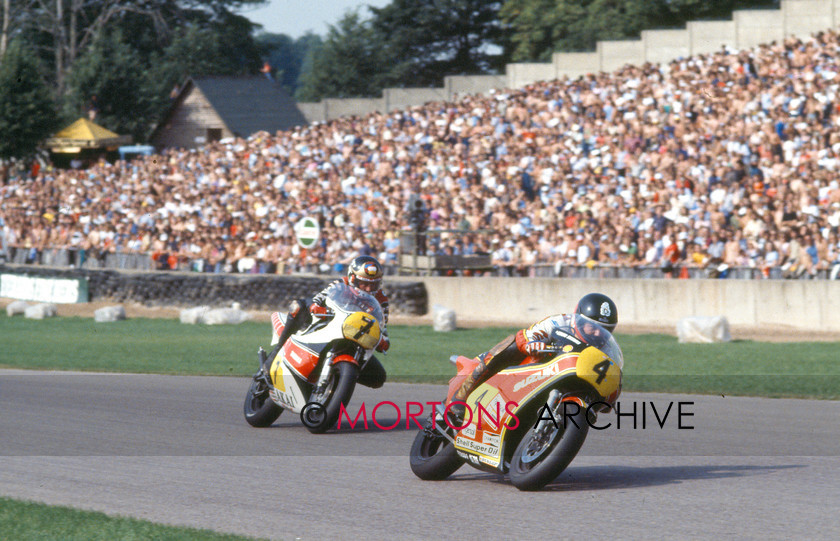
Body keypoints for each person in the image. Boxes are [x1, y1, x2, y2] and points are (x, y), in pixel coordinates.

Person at [446, 293, 618, 420]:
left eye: (605, 329)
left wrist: (608, 393)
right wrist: (531, 344)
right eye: (592, 326)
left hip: (563, 380)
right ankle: (462, 395)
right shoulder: (559, 321)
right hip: (531, 367)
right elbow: (525, 335)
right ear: (578, 317)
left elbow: (610, 388)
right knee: (511, 343)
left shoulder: (606, 349)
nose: (597, 332)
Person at [270, 255, 391, 387]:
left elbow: (382, 327)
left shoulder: (381, 299)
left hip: (355, 336)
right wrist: (316, 307)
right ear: (352, 278)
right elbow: (319, 298)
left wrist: (384, 341)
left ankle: (337, 382)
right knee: (298, 306)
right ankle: (275, 354)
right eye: (364, 283)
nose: (368, 289)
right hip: (332, 325)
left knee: (379, 378)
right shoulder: (341, 284)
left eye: (373, 284)